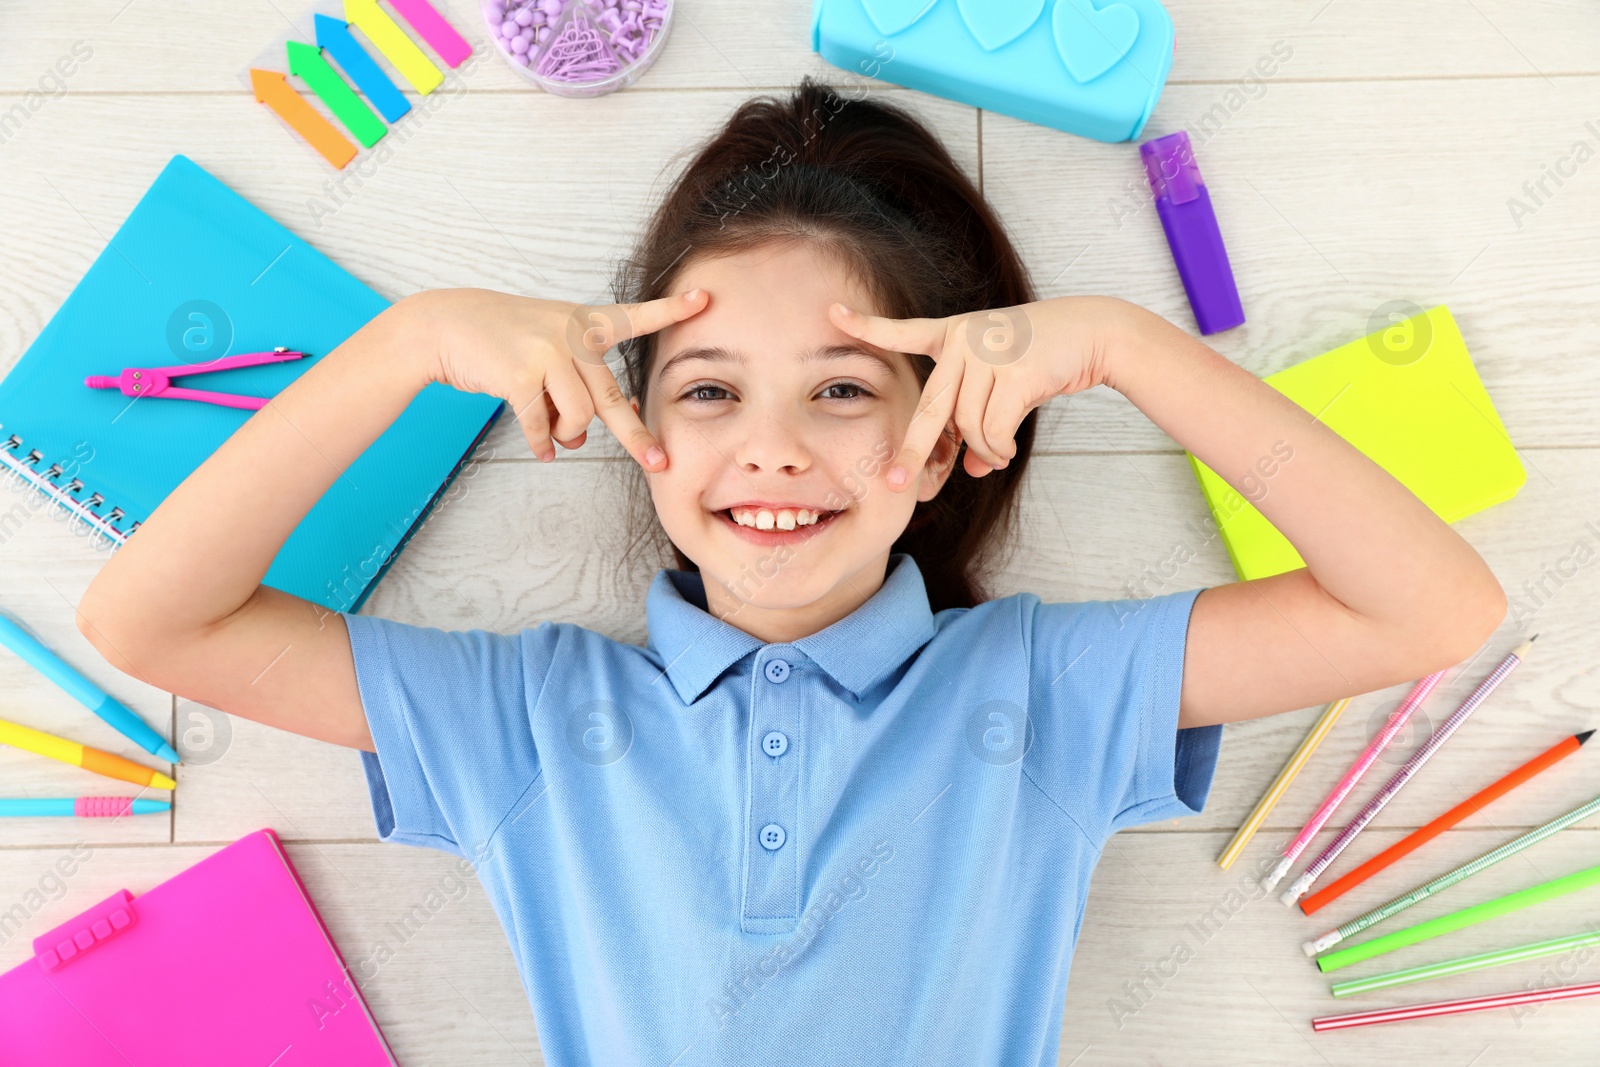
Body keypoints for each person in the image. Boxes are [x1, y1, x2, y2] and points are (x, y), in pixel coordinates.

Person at [76, 78, 1505, 1064]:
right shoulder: (523, 723)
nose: (770, 452)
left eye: (841, 392)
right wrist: (406, 346)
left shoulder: (1045, 692)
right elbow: (145, 617)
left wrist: (1124, 347)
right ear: (636, 432)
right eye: (706, 393)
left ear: (945, 440)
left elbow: (1434, 604)